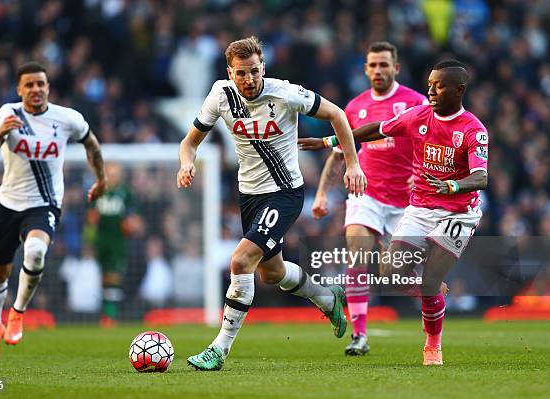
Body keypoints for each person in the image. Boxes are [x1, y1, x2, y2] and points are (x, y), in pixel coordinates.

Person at [177, 36, 367, 371]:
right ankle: (328, 297)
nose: (248, 80)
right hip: (249, 196)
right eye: (241, 73)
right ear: (229, 72)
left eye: (253, 71)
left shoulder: (284, 93)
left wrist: (352, 163)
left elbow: (337, 114)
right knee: (272, 273)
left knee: (240, 261)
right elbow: (189, 142)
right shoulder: (220, 95)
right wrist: (186, 162)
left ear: (263, 67)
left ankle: (218, 349)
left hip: (285, 193)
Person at [300, 59, 488, 366]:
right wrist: (329, 140)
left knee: (428, 285)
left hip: (457, 214)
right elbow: (377, 130)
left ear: (459, 90)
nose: (432, 91)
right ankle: (429, 288)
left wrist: (452, 186)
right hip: (420, 208)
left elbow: (481, 177)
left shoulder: (473, 130)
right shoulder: (417, 116)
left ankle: (433, 344)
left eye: (439, 86)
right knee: (389, 273)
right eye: (429, 84)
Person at [306, 42, 428, 356]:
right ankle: (359, 335)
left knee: (395, 274)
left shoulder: (416, 103)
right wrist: (321, 194)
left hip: (407, 202)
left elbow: (434, 145)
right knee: (357, 254)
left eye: (384, 65)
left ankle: (428, 300)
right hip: (367, 194)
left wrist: (424, 173)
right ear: (365, 69)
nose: (378, 71)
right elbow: (337, 156)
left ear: (396, 68)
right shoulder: (354, 108)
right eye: (372, 65)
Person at [0, 61, 107, 360]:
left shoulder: (66, 118)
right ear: (19, 89)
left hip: (44, 203)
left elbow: (92, 145)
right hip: (8, 204)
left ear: (48, 87)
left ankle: (18, 312)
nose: (36, 89)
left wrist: (101, 180)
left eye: (41, 84)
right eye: (30, 84)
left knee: (36, 250)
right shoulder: (8, 114)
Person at [86, 162, 140, 327]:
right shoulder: (98, 191)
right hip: (101, 241)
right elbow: (91, 217)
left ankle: (111, 314)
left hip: (118, 241)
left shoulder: (126, 193)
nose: (113, 176)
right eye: (110, 173)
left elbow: (134, 217)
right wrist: (90, 237)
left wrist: (131, 224)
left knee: (114, 276)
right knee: (103, 277)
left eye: (115, 173)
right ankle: (106, 312)